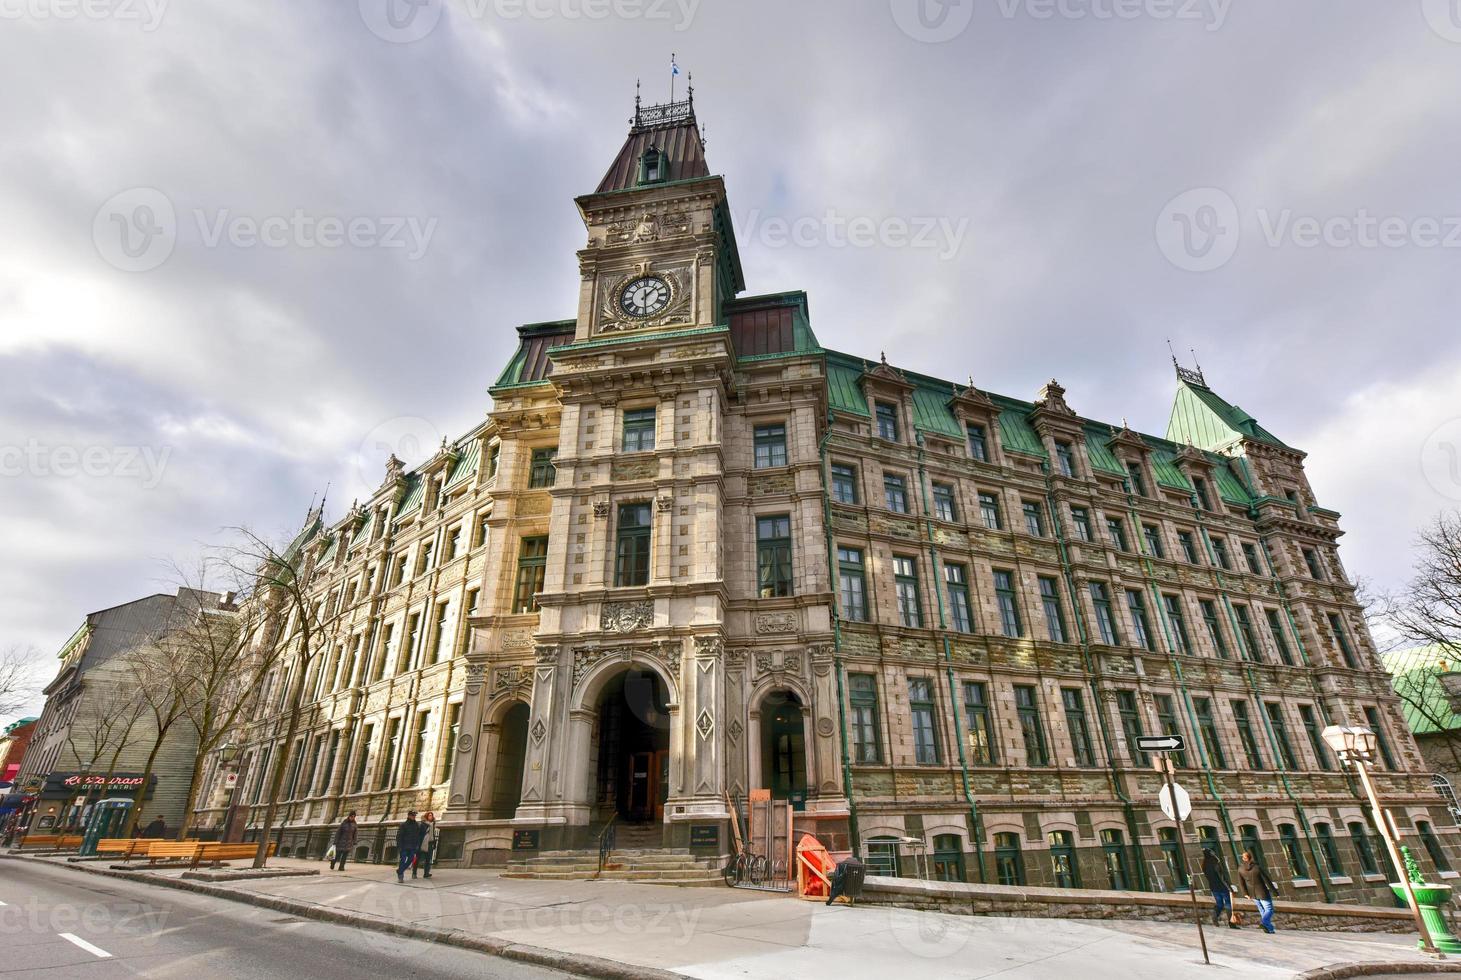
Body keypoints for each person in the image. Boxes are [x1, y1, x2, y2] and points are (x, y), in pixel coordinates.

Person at [1236, 850, 1280, 934]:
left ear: (1243, 858)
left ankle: (1269, 929)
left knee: (1262, 910)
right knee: (1269, 909)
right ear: (1251, 857)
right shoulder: (1257, 867)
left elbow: (1241, 883)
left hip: (1252, 894)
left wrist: (1245, 894)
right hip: (1262, 892)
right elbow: (1267, 880)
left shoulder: (1240, 869)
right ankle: (1264, 922)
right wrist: (1275, 892)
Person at [1201, 848, 1237, 928]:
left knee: (1219, 904)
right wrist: (1229, 887)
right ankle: (1232, 923)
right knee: (1228, 904)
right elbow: (1222, 877)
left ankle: (1214, 917)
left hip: (1213, 887)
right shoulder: (1216, 863)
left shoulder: (1204, 865)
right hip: (1222, 887)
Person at [395, 811, 425, 883]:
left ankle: (400, 870)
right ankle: (401, 876)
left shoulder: (416, 825)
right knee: (403, 859)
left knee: (411, 859)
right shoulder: (404, 825)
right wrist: (400, 846)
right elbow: (399, 836)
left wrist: (417, 845)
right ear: (409, 816)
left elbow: (418, 836)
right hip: (404, 846)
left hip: (412, 846)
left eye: (414, 815)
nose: (414, 817)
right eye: (412, 815)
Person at [417, 812, 437, 880]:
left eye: (432, 815)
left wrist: (434, 843)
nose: (431, 816)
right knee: (419, 858)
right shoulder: (423, 824)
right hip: (423, 843)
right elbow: (420, 834)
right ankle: (414, 872)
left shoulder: (432, 824)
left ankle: (426, 873)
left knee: (428, 859)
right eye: (429, 815)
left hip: (430, 843)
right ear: (427, 816)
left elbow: (433, 834)